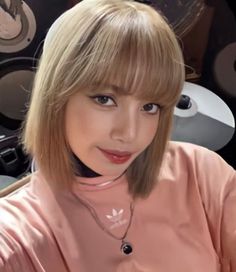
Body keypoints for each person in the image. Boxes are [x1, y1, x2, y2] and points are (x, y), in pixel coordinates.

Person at [0, 0, 235, 271]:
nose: (130, 133)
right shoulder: (18, 230)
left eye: (150, 106)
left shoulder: (201, 173)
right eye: (105, 99)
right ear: (56, 95)